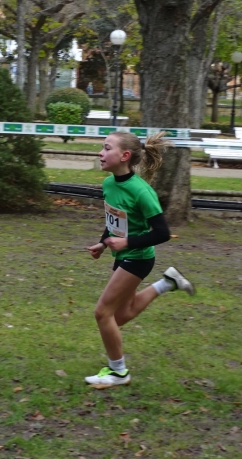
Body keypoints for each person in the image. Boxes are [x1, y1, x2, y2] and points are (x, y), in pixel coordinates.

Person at [84, 131, 195, 387]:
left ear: (124, 156)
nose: (100, 153)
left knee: (103, 313)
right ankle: (167, 282)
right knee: (119, 315)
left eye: (106, 148)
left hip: (139, 258)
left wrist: (127, 243)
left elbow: (163, 233)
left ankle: (118, 372)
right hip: (122, 255)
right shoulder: (109, 184)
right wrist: (103, 243)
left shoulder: (142, 192)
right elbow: (115, 220)